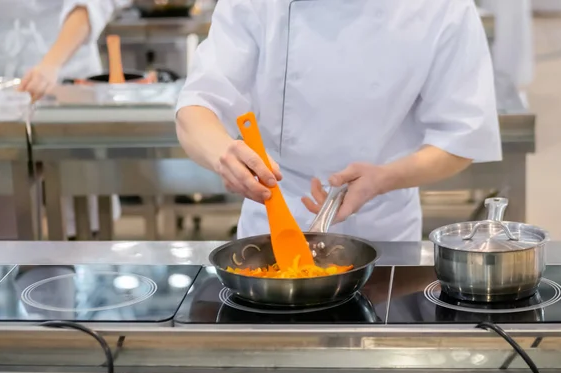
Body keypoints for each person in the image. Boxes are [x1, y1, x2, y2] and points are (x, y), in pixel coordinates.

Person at [176, 0, 502, 242]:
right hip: (274, 216)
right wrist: (224, 154)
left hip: (383, 229)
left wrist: (384, 178)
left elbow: (462, 136)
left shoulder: (442, 7)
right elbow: (198, 106)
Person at [0, 0, 127, 239]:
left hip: (67, 74)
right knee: (7, 229)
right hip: (3, 85)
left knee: (82, 221)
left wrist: (51, 64)